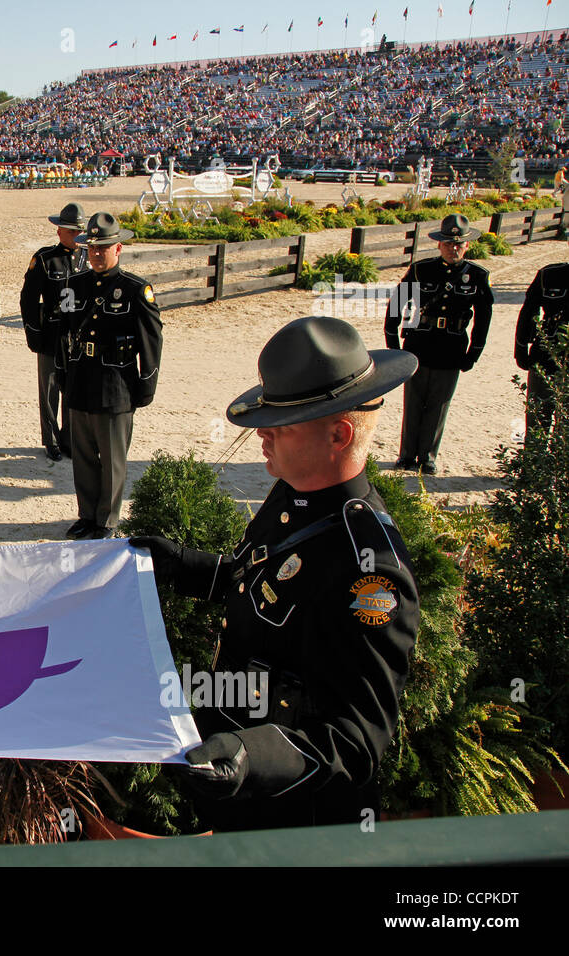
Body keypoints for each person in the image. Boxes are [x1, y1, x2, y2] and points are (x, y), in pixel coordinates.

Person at [131, 315, 421, 831]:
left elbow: (358, 742)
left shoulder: (369, 573)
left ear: (339, 432)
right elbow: (256, 584)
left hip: (294, 815)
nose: (262, 435)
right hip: (237, 767)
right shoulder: (296, 492)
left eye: (281, 426)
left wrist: (251, 756)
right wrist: (179, 564)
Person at [62, 212, 162, 540]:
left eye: (103, 248)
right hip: (81, 383)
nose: (96, 254)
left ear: (118, 248)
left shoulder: (135, 290)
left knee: (113, 461)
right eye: (91, 249)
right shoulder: (74, 286)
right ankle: (87, 515)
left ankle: (107, 521)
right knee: (84, 458)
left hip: (115, 387)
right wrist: (62, 375)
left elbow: (151, 340)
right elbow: (63, 333)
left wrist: (146, 384)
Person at [384, 213, 493, 475]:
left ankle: (427, 457)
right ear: (439, 244)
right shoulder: (422, 269)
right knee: (414, 401)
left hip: (451, 347)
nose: (453, 248)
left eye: (458, 244)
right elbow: (399, 302)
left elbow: (484, 317)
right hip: (419, 343)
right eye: (448, 244)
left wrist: (474, 352)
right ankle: (407, 455)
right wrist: (392, 339)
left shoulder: (477, 276)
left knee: (439, 403)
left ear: (467, 245)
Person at [20, 202, 90, 461]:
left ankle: (70, 439)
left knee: (73, 388)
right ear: (59, 231)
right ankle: (50, 440)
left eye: (79, 231)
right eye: (71, 231)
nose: (76, 235)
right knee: (49, 388)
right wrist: (33, 333)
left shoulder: (87, 258)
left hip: (78, 335)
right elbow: (28, 299)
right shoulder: (45, 258)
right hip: (52, 331)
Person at [515, 254, 569, 436]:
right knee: (537, 420)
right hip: (545, 357)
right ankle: (532, 463)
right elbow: (528, 312)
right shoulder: (549, 275)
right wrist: (521, 349)